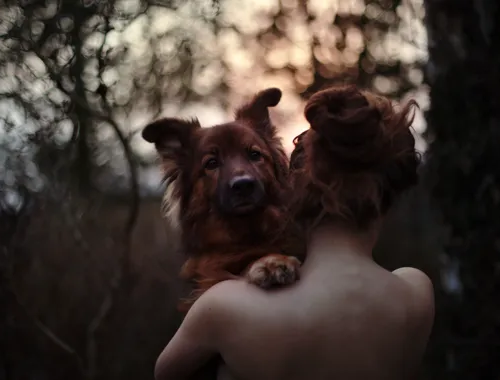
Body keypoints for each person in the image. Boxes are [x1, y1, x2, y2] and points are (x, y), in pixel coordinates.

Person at [154, 85, 435, 380]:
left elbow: (165, 375)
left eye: (254, 157)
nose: (242, 177)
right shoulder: (416, 292)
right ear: (389, 196)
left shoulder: (222, 307)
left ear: (297, 188)